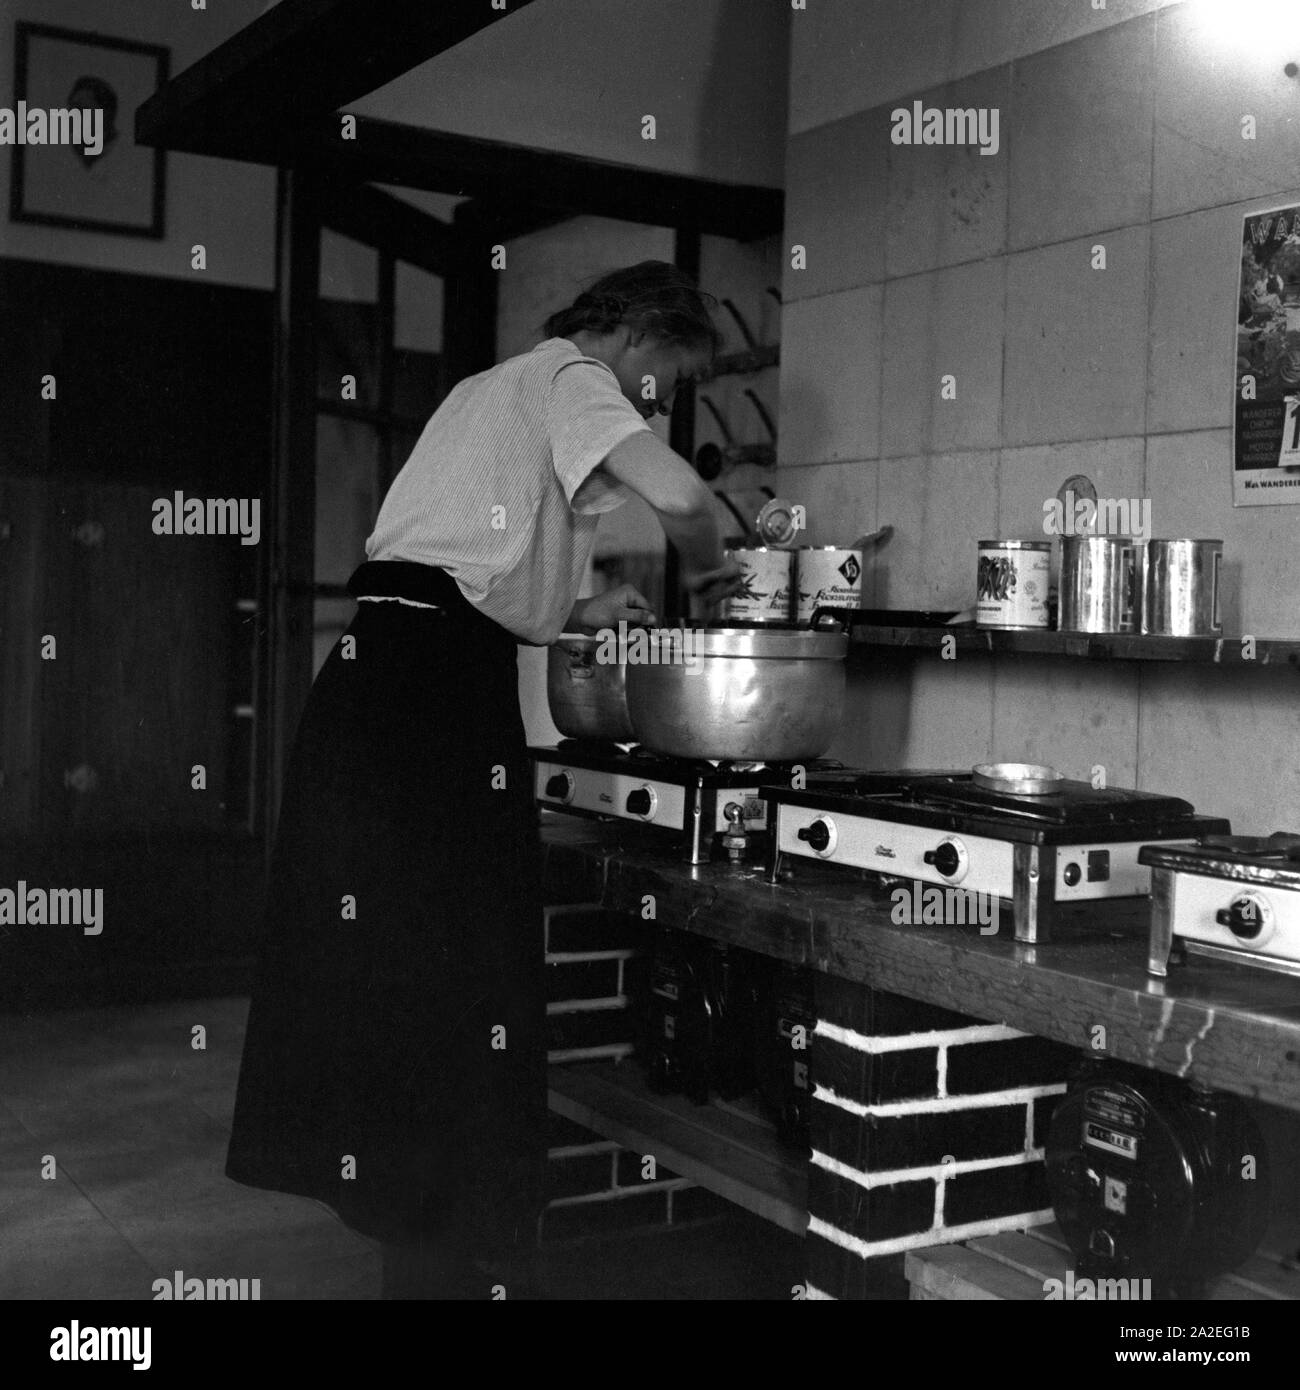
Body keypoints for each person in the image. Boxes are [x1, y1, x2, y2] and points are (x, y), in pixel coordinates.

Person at [225, 260, 742, 1299]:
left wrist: (579, 609)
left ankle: (421, 1253)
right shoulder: (569, 374)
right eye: (661, 379)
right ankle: (443, 1259)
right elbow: (682, 493)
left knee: (401, 976)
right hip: (433, 703)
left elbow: (465, 567)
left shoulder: (484, 390)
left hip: (377, 682)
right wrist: (720, 567)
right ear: (635, 336)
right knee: (451, 976)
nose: (650, 401)